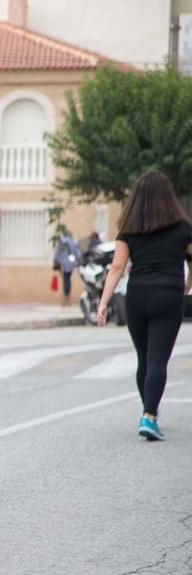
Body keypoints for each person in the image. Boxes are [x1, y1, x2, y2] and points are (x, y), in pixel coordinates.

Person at [98, 170, 192, 441]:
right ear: (169, 197)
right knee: (158, 359)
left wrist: (103, 303)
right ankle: (149, 416)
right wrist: (187, 282)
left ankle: (148, 411)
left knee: (145, 358)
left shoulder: (128, 229)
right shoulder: (182, 228)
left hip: (137, 297)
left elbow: (117, 268)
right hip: (168, 297)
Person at [53, 228, 82, 306]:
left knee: (65, 280)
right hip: (71, 264)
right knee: (68, 279)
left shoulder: (62, 242)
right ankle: (67, 297)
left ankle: (66, 297)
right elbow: (78, 254)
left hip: (64, 264)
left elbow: (58, 253)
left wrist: (56, 262)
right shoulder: (74, 242)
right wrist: (77, 262)